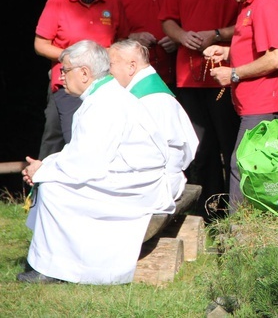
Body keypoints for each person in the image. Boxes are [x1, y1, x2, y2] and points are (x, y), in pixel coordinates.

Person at [18, 40, 174, 284]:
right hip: (129, 176)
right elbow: (82, 151)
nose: (61, 77)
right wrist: (46, 164)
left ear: (84, 73)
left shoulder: (104, 103)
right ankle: (50, 259)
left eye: (65, 70)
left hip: (137, 187)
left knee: (52, 188)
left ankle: (57, 269)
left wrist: (44, 170)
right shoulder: (103, 95)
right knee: (50, 180)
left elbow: (86, 164)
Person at [158, 0, 240, 218]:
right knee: (200, 149)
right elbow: (167, 20)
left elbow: (250, 21)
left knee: (230, 145)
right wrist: (182, 36)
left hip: (224, 76)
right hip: (189, 76)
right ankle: (208, 214)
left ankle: (237, 212)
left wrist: (217, 35)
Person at [203, 0, 278, 212]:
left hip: (266, 100)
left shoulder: (266, 3)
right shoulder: (251, 2)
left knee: (242, 164)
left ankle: (237, 236)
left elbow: (275, 58)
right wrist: (227, 51)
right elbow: (255, 48)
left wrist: (233, 73)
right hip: (254, 100)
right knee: (258, 165)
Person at [35, 0, 129, 160]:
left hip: (103, 82)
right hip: (66, 82)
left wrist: (109, 53)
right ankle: (40, 188)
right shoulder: (58, 1)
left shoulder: (113, 1)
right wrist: (73, 58)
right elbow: (40, 45)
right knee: (61, 136)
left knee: (102, 136)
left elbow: (123, 40)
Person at [109, 39, 198, 201]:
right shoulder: (143, 93)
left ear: (131, 66)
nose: (108, 71)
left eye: (111, 64)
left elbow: (173, 151)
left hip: (157, 184)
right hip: (150, 179)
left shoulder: (153, 99)